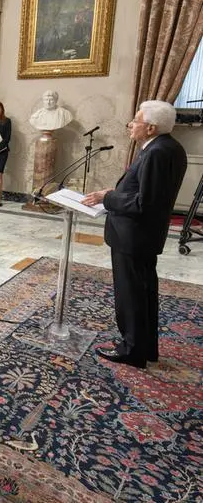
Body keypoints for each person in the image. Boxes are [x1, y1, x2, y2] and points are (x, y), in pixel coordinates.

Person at [81, 101, 187, 369]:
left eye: (136, 120)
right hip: (143, 235)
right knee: (143, 291)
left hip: (134, 235)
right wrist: (114, 194)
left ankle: (132, 350)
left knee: (131, 294)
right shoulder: (169, 147)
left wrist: (108, 198)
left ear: (151, 128)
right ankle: (144, 347)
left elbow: (144, 203)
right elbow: (148, 194)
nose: (130, 124)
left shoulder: (156, 152)